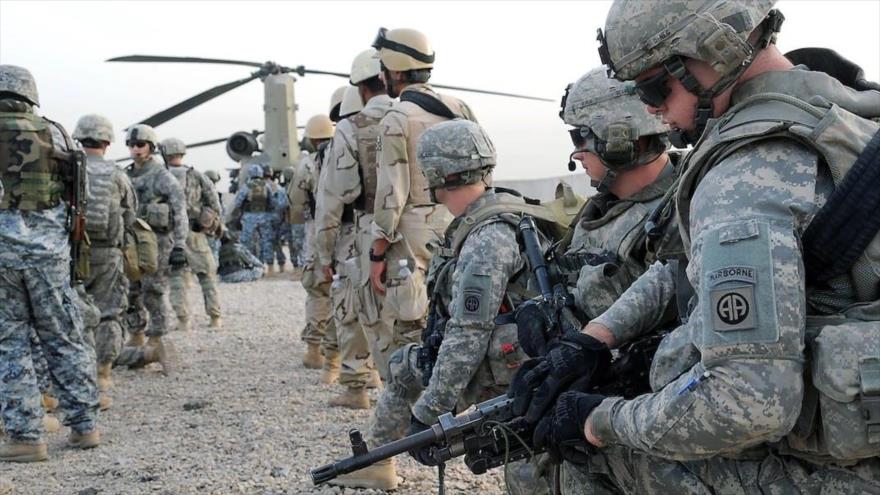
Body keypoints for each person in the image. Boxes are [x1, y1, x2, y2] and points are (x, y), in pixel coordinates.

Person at [519, 1, 880, 492]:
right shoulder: (844, 112)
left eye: (652, 86)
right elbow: (685, 269)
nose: (650, 108)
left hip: (845, 473)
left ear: (714, 49)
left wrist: (600, 422)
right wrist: (594, 338)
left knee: (580, 461)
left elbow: (745, 403)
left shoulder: (746, 174)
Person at [332, 119, 551, 491]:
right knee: (405, 367)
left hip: (512, 366)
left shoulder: (487, 239)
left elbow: (468, 333)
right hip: (511, 355)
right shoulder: (494, 214)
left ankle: (377, 459)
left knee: (525, 461)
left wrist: (431, 410)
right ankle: (375, 460)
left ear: (434, 174)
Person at [0, 65, 100, 461]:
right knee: (65, 337)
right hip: (50, 257)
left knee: (10, 344)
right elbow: (82, 195)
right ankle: (84, 427)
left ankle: (26, 437)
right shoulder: (56, 132)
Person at [368, 27, 476, 371]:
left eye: (384, 69)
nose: (383, 77)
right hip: (461, 223)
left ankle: (413, 415)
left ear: (396, 71)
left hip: (413, 236)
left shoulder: (397, 118)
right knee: (458, 320)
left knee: (411, 329)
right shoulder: (459, 108)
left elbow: (391, 194)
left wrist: (377, 251)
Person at [315, 51, 390, 409]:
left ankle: (356, 384)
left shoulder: (349, 130)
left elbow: (331, 201)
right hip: (415, 230)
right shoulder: (411, 117)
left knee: (352, 308)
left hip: (360, 232)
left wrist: (323, 252)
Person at [71, 113, 138, 409]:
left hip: (71, 252)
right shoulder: (117, 174)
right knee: (108, 313)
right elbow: (130, 214)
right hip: (108, 253)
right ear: (108, 142)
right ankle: (103, 375)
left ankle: (67, 379)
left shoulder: (67, 168)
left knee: (69, 314)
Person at [116, 124, 184, 372]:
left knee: (153, 290)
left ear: (151, 147)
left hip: (159, 242)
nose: (135, 150)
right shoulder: (124, 175)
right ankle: (136, 335)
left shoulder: (163, 176)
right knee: (131, 289)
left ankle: (158, 338)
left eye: (140, 145)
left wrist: (180, 245)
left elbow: (179, 211)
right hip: (131, 241)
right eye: (132, 145)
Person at [289, 114, 336, 373]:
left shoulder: (308, 164)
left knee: (318, 291)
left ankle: (314, 350)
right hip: (351, 232)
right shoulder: (348, 154)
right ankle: (344, 358)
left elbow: (295, 203)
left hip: (318, 230)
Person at [162, 137, 223, 330]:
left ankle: (183, 320)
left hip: (170, 233)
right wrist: (204, 224)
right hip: (194, 232)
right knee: (206, 275)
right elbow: (214, 203)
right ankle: (215, 318)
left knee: (176, 277)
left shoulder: (160, 176)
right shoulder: (197, 176)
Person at [234, 163, 277, 271]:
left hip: (249, 217)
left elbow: (238, 203)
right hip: (264, 216)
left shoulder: (246, 186)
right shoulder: (266, 186)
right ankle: (269, 267)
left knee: (246, 242)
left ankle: (249, 265)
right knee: (266, 241)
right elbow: (272, 202)